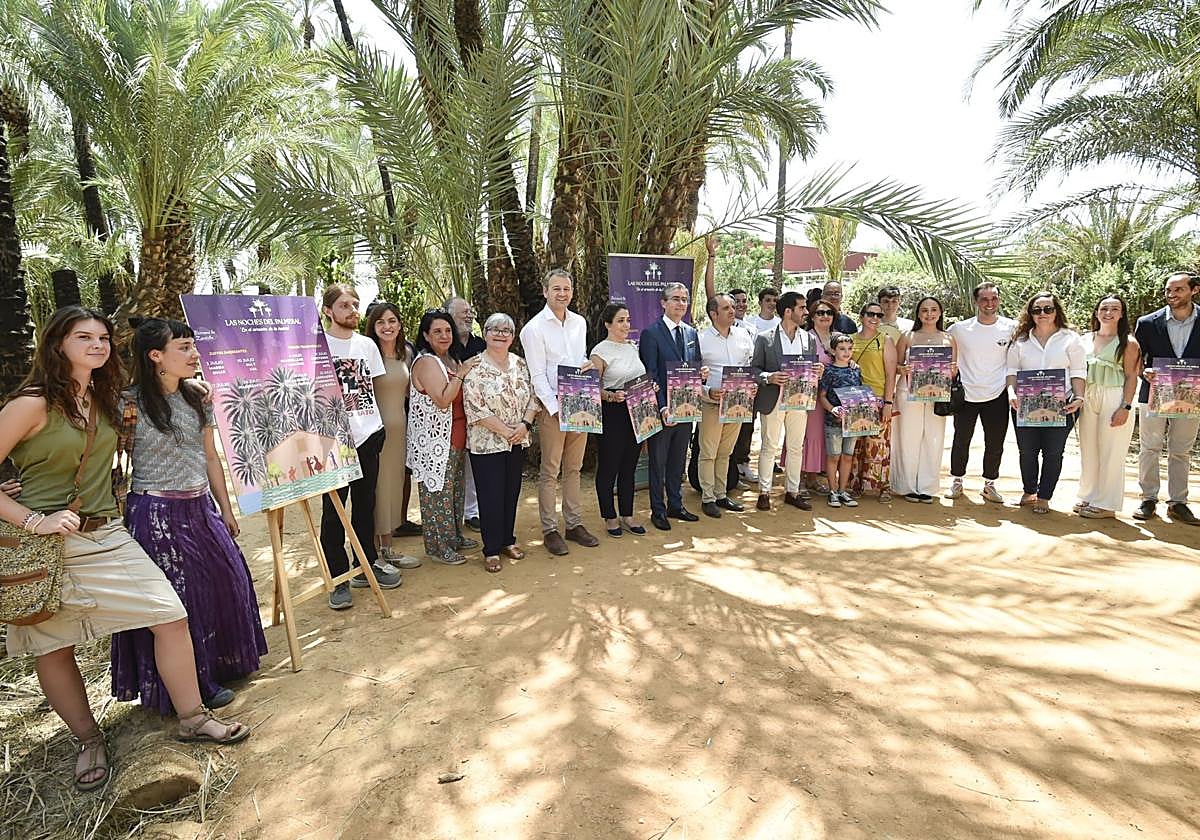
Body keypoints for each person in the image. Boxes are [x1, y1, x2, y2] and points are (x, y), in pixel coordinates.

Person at [0, 307, 250, 793]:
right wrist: (32, 518)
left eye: (102, 337)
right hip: (38, 542)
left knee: (169, 614)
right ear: (57, 344)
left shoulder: (102, 397)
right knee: (53, 645)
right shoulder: (32, 403)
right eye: (83, 337)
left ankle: (192, 718)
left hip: (105, 533)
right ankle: (89, 741)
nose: (97, 344)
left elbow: (160, 414)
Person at [109, 317, 267, 716]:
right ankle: (194, 687)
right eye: (184, 347)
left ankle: (222, 667)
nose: (195, 354)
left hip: (201, 507)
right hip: (155, 514)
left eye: (193, 345)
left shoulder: (198, 396)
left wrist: (226, 508)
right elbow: (110, 460)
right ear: (156, 356)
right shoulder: (128, 403)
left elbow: (210, 456)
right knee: (180, 601)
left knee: (225, 581)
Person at [320, 285, 402, 610]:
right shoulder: (315, 346)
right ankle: (338, 578)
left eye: (355, 304)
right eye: (344, 305)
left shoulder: (367, 345)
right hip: (332, 442)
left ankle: (365, 565)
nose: (352, 310)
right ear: (328, 310)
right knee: (333, 513)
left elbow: (370, 389)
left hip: (369, 436)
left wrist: (378, 429)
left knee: (365, 506)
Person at [519, 268, 600, 554]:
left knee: (574, 468)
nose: (562, 293)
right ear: (545, 291)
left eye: (566, 288)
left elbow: (577, 359)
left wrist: (587, 365)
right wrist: (553, 408)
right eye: (556, 289)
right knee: (550, 471)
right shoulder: (533, 329)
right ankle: (550, 529)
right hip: (553, 407)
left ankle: (574, 524)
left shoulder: (579, 323)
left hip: (580, 405)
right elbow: (537, 375)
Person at [462, 313, 539, 572]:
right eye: (493, 329)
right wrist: (507, 431)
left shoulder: (520, 364)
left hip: (517, 440)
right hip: (487, 444)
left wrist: (524, 425)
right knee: (490, 496)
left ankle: (508, 540)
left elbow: (533, 397)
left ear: (513, 336)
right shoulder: (474, 366)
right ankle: (491, 549)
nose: (500, 333)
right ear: (484, 333)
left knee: (510, 493)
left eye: (506, 329)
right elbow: (475, 407)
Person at [408, 309, 481, 565]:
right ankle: (438, 547)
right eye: (437, 331)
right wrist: (463, 372)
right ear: (426, 335)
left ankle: (454, 537)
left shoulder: (450, 359)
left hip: (457, 436)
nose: (444, 335)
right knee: (437, 494)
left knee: (455, 492)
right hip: (437, 440)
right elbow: (441, 399)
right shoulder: (427, 362)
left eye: (448, 330)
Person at [1005, 292, 1086, 514]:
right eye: (1037, 310)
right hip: (1023, 405)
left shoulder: (1071, 338)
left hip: (1063, 404)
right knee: (1027, 451)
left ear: (1056, 311)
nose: (1042, 314)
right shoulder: (1020, 340)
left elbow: (1078, 371)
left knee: (1053, 452)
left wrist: (1079, 398)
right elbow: (1011, 371)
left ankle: (1044, 496)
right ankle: (1029, 490)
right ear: (1030, 314)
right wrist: (1011, 393)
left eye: (1048, 309)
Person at [1132, 272, 1200, 524]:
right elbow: (1135, 358)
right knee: (1149, 447)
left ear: (1194, 290)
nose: (1172, 295)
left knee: (1181, 450)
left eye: (1178, 290)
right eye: (1168, 291)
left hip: (1192, 396)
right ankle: (1148, 499)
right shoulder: (1148, 322)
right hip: (1154, 392)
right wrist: (1143, 371)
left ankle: (1178, 503)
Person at [638, 282, 704, 531]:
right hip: (662, 410)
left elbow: (693, 367)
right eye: (675, 298)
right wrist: (663, 407)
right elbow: (651, 374)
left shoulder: (691, 333)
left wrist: (702, 375)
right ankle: (659, 509)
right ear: (663, 303)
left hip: (686, 409)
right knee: (658, 462)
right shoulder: (651, 333)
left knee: (678, 460)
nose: (680, 303)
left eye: (684, 299)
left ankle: (676, 505)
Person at [946, 282, 1016, 504]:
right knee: (961, 439)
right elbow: (943, 350)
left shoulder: (1011, 327)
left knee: (995, 442)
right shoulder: (958, 329)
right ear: (976, 302)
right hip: (966, 394)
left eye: (994, 298)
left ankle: (989, 484)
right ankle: (957, 481)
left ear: (999, 300)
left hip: (998, 394)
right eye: (985, 299)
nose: (990, 303)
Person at [751, 291, 821, 511]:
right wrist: (768, 377)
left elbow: (811, 367)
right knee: (769, 445)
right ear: (788, 311)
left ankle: (793, 491)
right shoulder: (765, 338)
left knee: (795, 446)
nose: (806, 312)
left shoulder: (808, 338)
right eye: (802, 308)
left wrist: (817, 370)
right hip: (774, 397)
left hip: (800, 399)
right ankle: (764, 492)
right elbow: (754, 369)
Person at [363, 302, 420, 568]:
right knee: (377, 489)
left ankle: (388, 548)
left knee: (394, 487)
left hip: (401, 432)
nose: (388, 327)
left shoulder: (404, 353)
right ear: (373, 327)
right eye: (381, 322)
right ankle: (372, 553)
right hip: (375, 433)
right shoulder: (365, 354)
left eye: (392, 321)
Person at [1075, 295, 1140, 519]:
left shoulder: (1128, 342)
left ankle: (1107, 503)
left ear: (1121, 314)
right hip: (1088, 395)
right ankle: (1089, 494)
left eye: (1114, 309)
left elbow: (1132, 376)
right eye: (1104, 308)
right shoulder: (1084, 339)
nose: (1108, 312)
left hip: (1114, 395)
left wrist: (1126, 406)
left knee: (1112, 451)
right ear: (1096, 312)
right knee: (1089, 447)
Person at [590, 303, 649, 537]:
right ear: (608, 324)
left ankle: (627, 514)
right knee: (609, 467)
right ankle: (609, 516)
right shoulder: (599, 352)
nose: (626, 325)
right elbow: (593, 389)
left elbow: (639, 376)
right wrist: (612, 396)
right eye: (621, 320)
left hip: (635, 412)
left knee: (629, 466)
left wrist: (648, 386)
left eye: (628, 319)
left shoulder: (632, 347)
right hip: (611, 414)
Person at [697, 294, 756, 518]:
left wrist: (752, 385)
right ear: (714, 314)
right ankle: (708, 498)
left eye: (733, 307)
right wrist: (707, 391)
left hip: (737, 404)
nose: (733, 310)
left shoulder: (743, 335)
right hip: (712, 403)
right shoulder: (701, 339)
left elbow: (748, 365)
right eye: (726, 308)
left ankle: (721, 495)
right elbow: (693, 376)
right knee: (708, 452)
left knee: (725, 453)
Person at [892, 297, 956, 502]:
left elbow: (954, 369)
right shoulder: (908, 336)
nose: (929, 314)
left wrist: (952, 371)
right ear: (918, 314)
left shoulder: (949, 338)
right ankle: (906, 485)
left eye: (934, 309)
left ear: (940, 312)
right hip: (908, 392)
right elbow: (895, 365)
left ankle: (927, 486)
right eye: (925, 310)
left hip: (937, 395)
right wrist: (904, 369)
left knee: (933, 438)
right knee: (907, 437)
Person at [848, 301, 898, 502]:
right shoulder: (850, 340)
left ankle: (882, 486)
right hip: (854, 398)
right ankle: (855, 485)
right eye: (870, 314)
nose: (875, 318)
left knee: (878, 446)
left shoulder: (884, 341)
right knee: (855, 447)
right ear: (861, 317)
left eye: (879, 315)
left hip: (876, 399)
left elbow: (890, 373)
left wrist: (888, 403)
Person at [445, 296, 486, 532]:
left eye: (470, 312)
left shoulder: (480, 344)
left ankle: (472, 511)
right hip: (449, 412)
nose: (469, 316)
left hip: (477, 412)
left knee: (473, 464)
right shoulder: (443, 345)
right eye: (463, 313)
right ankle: (452, 514)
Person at [818, 333, 862, 508]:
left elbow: (859, 393)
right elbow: (822, 396)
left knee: (847, 456)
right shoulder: (828, 371)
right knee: (833, 456)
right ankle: (832, 491)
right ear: (833, 351)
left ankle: (843, 491)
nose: (846, 352)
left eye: (850, 349)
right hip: (833, 422)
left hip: (852, 422)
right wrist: (832, 409)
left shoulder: (856, 370)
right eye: (842, 349)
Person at [801, 299, 837, 492]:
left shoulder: (838, 337)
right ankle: (799, 477)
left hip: (832, 397)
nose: (825, 316)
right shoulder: (806, 338)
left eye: (829, 313)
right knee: (808, 435)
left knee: (824, 437)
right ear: (812, 317)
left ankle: (813, 479)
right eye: (820, 313)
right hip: (811, 396)